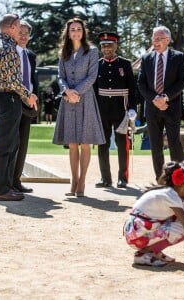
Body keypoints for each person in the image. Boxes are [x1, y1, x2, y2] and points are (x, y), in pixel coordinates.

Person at [0, 13, 38, 201]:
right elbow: (14, 81)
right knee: (7, 145)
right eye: (19, 27)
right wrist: (28, 95)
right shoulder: (10, 48)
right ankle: (1, 190)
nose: (20, 31)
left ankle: (4, 186)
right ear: (12, 27)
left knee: (7, 143)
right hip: (10, 98)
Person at [123, 161, 184, 267]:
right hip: (136, 236)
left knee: (176, 221)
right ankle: (144, 254)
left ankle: (154, 251)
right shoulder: (172, 197)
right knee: (182, 229)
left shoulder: (168, 192)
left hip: (135, 232)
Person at [53, 17, 105, 197]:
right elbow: (60, 76)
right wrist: (67, 91)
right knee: (73, 143)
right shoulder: (63, 53)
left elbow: (92, 77)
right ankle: (73, 181)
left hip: (86, 100)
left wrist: (76, 92)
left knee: (85, 143)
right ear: (68, 33)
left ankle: (82, 181)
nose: (76, 32)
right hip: (68, 101)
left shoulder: (91, 51)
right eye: (73, 29)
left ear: (83, 32)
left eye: (79, 29)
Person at [137, 26, 184, 181]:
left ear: (167, 40)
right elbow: (141, 84)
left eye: (159, 39)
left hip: (171, 107)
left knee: (174, 145)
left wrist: (164, 98)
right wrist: (155, 100)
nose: (155, 42)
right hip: (152, 109)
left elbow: (181, 82)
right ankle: (161, 179)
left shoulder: (178, 57)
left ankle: (180, 178)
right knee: (156, 146)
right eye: (154, 39)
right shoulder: (146, 59)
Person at [94, 32, 136, 189]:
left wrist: (132, 108)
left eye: (110, 45)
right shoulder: (97, 64)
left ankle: (122, 178)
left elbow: (132, 88)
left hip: (121, 110)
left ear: (116, 46)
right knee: (102, 145)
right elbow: (94, 90)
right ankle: (105, 178)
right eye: (104, 46)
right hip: (102, 110)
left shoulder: (125, 64)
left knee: (122, 145)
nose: (107, 48)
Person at [13, 20, 38, 194]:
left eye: (26, 33)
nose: (23, 36)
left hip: (28, 104)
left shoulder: (30, 55)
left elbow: (32, 80)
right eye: (20, 32)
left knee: (23, 144)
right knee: (10, 144)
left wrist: (34, 96)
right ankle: (6, 181)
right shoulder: (8, 52)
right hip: (11, 102)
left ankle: (16, 180)